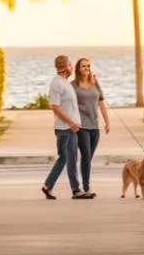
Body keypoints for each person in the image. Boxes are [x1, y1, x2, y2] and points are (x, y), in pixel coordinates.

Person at [42, 54, 90, 199]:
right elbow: (55, 107)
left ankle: (48, 186)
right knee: (71, 158)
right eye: (70, 65)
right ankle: (76, 190)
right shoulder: (57, 83)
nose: (71, 68)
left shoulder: (64, 82)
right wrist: (71, 123)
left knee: (64, 158)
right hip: (65, 129)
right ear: (64, 67)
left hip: (69, 128)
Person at [72, 58, 111, 198]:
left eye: (88, 66)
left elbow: (101, 103)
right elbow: (67, 105)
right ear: (78, 69)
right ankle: (86, 188)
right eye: (83, 66)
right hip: (81, 126)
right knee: (86, 156)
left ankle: (82, 185)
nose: (86, 68)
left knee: (88, 158)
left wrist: (107, 122)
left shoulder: (95, 83)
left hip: (95, 126)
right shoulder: (73, 86)